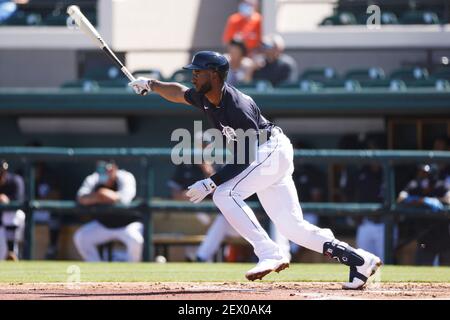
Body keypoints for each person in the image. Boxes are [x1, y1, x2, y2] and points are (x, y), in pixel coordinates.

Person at [129, 51, 382, 289]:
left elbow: (245, 158)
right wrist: (151, 84)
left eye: (198, 71)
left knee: (223, 194)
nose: (193, 75)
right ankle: (359, 260)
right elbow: (178, 93)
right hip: (266, 156)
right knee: (292, 228)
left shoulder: (238, 105)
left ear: (215, 75)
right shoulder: (205, 97)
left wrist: (211, 182)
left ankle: (269, 252)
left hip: (269, 150)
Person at [73, 160, 143, 262]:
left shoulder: (125, 177)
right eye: (104, 170)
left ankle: (133, 271)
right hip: (104, 225)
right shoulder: (94, 178)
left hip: (128, 225)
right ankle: (96, 269)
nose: (106, 174)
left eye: (109, 170)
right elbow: (81, 198)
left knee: (136, 240)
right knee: (81, 237)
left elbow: (124, 200)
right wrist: (101, 195)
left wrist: (98, 195)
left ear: (114, 168)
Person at [397, 164, 450, 265]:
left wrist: (436, 200)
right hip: (424, 234)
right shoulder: (415, 185)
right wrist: (421, 200)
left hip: (442, 233)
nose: (422, 176)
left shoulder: (440, 185)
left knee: (447, 266)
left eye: (425, 174)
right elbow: (400, 199)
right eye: (421, 173)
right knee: (422, 264)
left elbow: (449, 199)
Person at [0, 159, 25, 261]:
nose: (2, 175)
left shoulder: (15, 180)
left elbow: (19, 202)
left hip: (17, 222)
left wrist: (7, 201)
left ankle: (12, 251)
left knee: (10, 214)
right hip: (1, 226)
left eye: (2, 172)